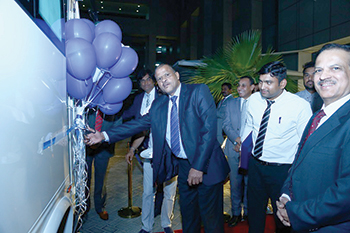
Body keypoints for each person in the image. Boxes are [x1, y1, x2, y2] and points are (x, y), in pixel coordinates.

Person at [85, 64, 230, 233]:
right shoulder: (159, 104)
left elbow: (208, 131)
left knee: (212, 222)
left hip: (207, 167)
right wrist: (104, 136)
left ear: (176, 75)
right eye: (159, 78)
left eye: (167, 75)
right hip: (183, 168)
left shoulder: (198, 92)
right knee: (189, 219)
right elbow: (137, 124)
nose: (163, 80)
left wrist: (197, 167)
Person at [277, 43, 350, 232]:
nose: (323, 76)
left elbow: (346, 193)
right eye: (318, 70)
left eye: (335, 68)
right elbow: (299, 162)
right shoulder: (317, 117)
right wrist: (286, 195)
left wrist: (296, 213)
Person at [241, 61, 312, 233]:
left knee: (282, 218)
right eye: (261, 81)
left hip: (282, 171)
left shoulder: (299, 106)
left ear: (282, 83)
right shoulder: (253, 101)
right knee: (254, 213)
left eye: (268, 82)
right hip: (256, 166)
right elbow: (249, 127)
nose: (262, 87)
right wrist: (244, 155)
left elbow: (306, 143)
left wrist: (295, 173)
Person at [123, 69, 177, 233]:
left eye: (149, 80)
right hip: (149, 152)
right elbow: (142, 128)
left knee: (169, 192)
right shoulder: (139, 99)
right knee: (148, 192)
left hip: (170, 155)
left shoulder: (164, 99)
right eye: (142, 81)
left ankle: (166, 224)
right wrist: (132, 148)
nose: (146, 83)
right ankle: (146, 226)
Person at [222, 76, 254, 227]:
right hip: (234, 148)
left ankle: (248, 213)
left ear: (252, 87)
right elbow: (226, 125)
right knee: (235, 183)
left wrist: (246, 145)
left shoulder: (259, 104)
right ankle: (236, 213)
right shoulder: (230, 103)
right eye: (238, 85)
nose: (239, 88)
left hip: (251, 151)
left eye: (243, 85)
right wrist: (237, 140)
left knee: (249, 184)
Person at [85, 108, 122, 220]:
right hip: (85, 146)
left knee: (100, 179)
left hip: (104, 148)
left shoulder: (114, 106)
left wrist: (101, 140)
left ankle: (100, 207)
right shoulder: (87, 106)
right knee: (84, 178)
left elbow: (117, 128)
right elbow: (78, 123)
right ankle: (84, 208)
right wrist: (87, 139)